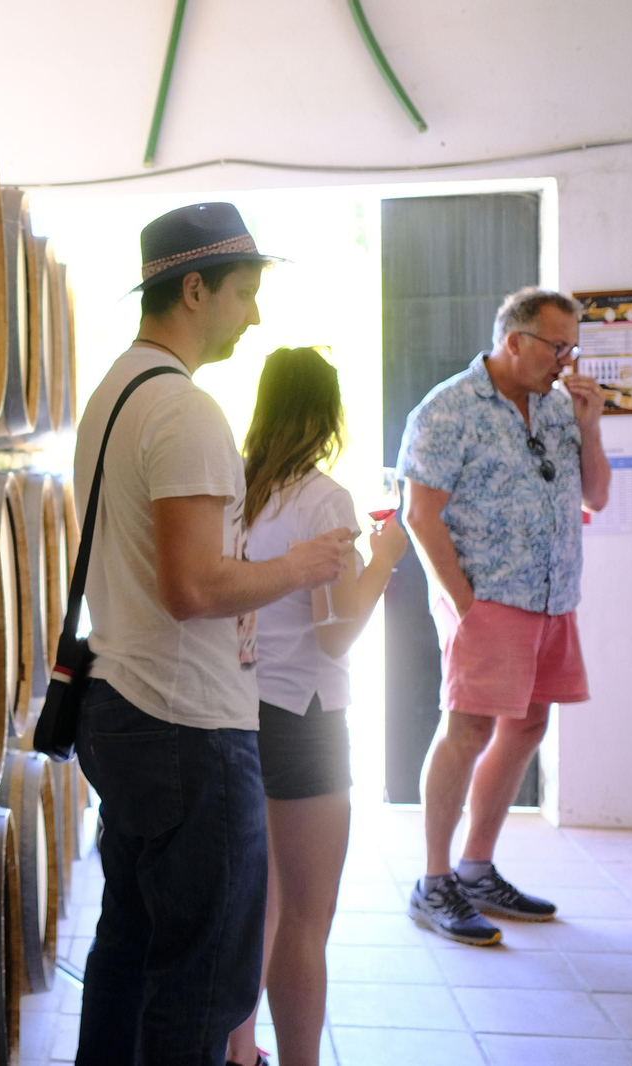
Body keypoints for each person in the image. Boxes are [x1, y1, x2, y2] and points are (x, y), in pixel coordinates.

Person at [71, 204, 354, 1065]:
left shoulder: (113, 392)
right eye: (244, 292)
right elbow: (194, 586)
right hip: (188, 723)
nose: (254, 315)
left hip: (123, 701)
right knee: (205, 982)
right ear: (194, 289)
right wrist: (301, 567)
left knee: (128, 954)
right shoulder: (185, 412)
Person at [399, 287, 610, 945]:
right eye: (557, 346)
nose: (566, 359)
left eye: (572, 346)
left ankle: (478, 867)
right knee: (466, 729)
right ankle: (434, 882)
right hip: (487, 600)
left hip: (552, 597)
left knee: (528, 724)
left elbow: (596, 496)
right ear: (514, 340)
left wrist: (591, 425)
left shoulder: (557, 409)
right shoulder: (447, 408)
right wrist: (462, 602)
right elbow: (419, 514)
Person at [222, 348, 409, 1066]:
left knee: (255, 903)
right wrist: (388, 556)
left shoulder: (238, 489)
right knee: (307, 914)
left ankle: (241, 1053)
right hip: (307, 715)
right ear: (329, 416)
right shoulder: (323, 499)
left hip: (243, 707)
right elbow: (336, 637)